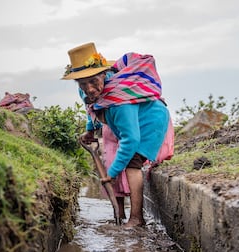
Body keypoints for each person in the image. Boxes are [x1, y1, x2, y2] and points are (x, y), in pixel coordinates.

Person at [62, 42, 172, 227]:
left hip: (150, 121)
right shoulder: (86, 92)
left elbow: (131, 139)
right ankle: (126, 216)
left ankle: (136, 218)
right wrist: (90, 130)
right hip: (131, 123)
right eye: (83, 83)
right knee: (126, 159)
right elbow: (92, 108)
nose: (89, 89)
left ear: (104, 75)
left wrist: (111, 174)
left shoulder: (120, 100)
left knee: (132, 162)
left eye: (94, 81)